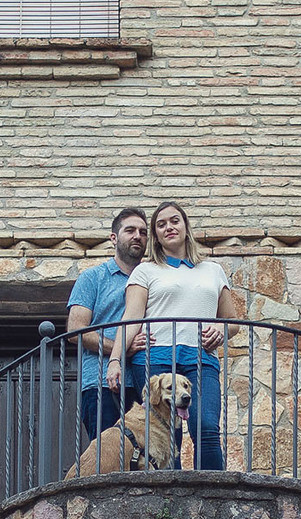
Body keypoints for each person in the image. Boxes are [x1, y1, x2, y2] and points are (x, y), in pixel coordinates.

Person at [109, 200, 243, 471]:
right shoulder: (145, 270)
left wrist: (219, 330)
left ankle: (214, 496)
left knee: (205, 426)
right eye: (160, 224)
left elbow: (232, 322)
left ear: (185, 226)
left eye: (174, 221)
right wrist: (115, 359)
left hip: (200, 358)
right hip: (155, 359)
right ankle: (172, 502)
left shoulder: (213, 271)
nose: (168, 227)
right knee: (167, 433)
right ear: (155, 236)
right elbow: (130, 318)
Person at [65, 206, 150, 442]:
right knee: (107, 458)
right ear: (114, 238)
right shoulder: (93, 278)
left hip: (146, 384)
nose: (137, 236)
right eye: (130, 230)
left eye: (143, 232)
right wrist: (122, 348)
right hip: (102, 382)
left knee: (148, 463)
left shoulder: (153, 278)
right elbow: (76, 332)